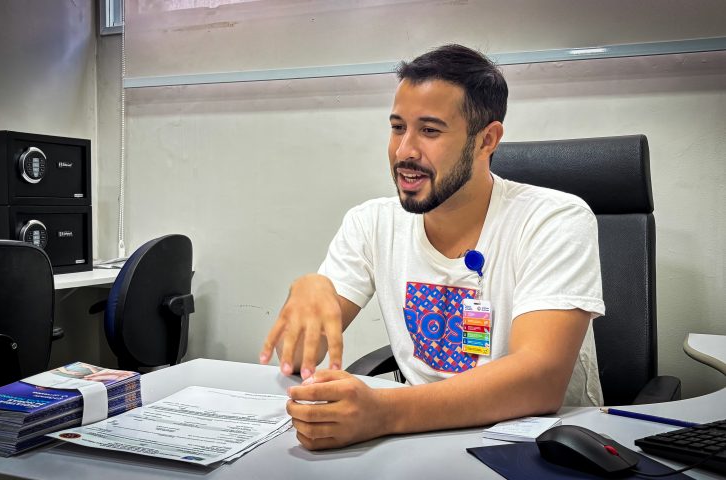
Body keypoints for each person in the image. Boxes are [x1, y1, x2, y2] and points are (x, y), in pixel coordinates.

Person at [259, 44, 604, 451]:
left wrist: (384, 413)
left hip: (541, 446)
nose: (404, 151)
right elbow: (299, 358)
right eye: (397, 127)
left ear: (486, 140)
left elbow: (539, 380)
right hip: (418, 440)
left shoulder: (554, 219)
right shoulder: (370, 222)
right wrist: (306, 295)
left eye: (430, 131)